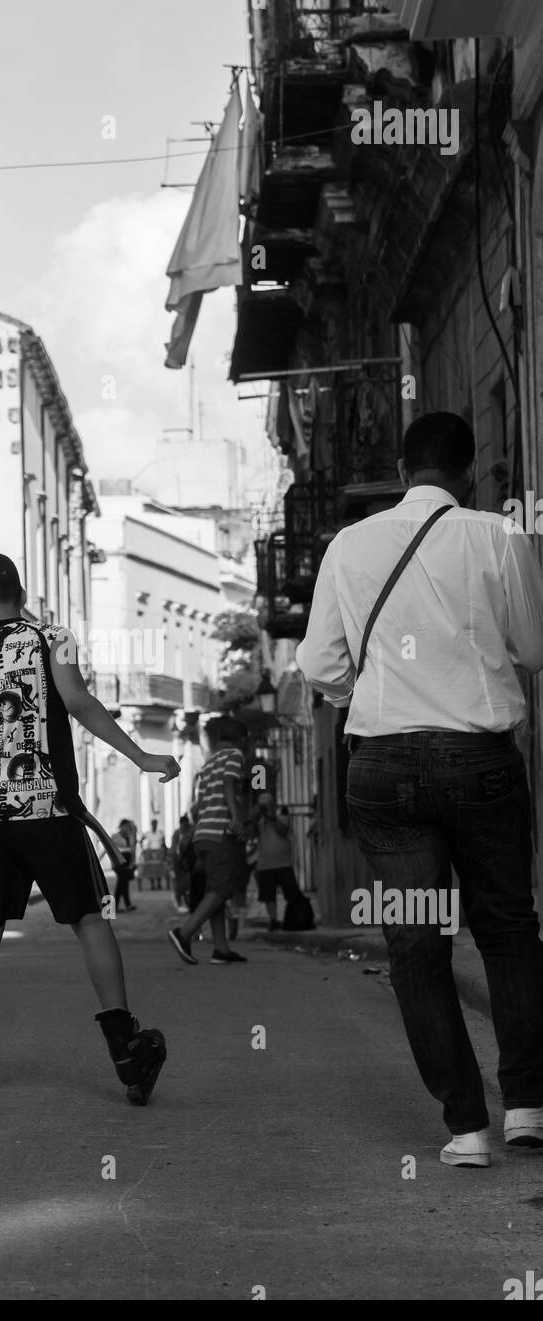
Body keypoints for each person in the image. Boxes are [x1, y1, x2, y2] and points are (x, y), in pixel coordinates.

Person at [297, 410, 543, 1168]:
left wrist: (372, 694)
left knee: (416, 943)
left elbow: (319, 666)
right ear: (468, 473)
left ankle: (466, 1127)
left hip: (386, 771)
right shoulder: (499, 536)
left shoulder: (349, 545)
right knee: (507, 930)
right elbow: (532, 648)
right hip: (484, 763)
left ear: (402, 473)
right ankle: (528, 1109)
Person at [0, 552, 180, 1114]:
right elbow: (79, 703)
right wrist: (139, 756)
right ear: (17, 592)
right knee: (90, 921)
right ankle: (127, 1051)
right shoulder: (53, 640)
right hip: (45, 810)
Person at [167, 716, 249, 965]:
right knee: (223, 889)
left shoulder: (209, 761)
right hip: (220, 833)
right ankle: (184, 932)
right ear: (242, 739)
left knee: (215, 889)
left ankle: (221, 949)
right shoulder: (234, 755)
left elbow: (200, 802)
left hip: (202, 833)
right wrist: (235, 817)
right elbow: (228, 784)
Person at [253, 793, 303, 930]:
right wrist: (256, 815)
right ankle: (273, 920)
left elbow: (283, 831)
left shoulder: (282, 818)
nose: (265, 807)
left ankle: (294, 920)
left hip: (283, 863)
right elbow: (250, 833)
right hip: (265, 864)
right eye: (263, 804)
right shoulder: (259, 822)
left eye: (267, 804)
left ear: (273, 805)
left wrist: (270, 816)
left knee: (291, 892)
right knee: (269, 896)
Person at [169, 813, 194, 912]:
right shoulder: (177, 833)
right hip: (179, 862)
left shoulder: (192, 830)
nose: (183, 826)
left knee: (189, 883)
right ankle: (179, 901)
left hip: (189, 861)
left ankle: (188, 902)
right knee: (179, 883)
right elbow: (173, 849)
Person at [112, 820, 137, 914]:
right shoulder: (116, 836)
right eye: (126, 827)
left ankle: (125, 905)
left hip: (126, 863)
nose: (127, 829)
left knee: (123, 884)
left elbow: (131, 850)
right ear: (121, 826)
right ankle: (122, 906)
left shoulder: (129, 836)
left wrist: (132, 862)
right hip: (119, 863)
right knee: (121, 884)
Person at [141, 818, 167, 889]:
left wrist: (164, 850)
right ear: (151, 824)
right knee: (150, 868)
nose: (154, 825)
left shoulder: (160, 832)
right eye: (153, 824)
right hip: (150, 853)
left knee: (159, 867)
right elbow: (141, 839)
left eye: (155, 823)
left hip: (159, 852)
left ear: (157, 824)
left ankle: (158, 883)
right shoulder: (148, 833)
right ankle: (152, 884)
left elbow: (163, 842)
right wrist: (143, 848)